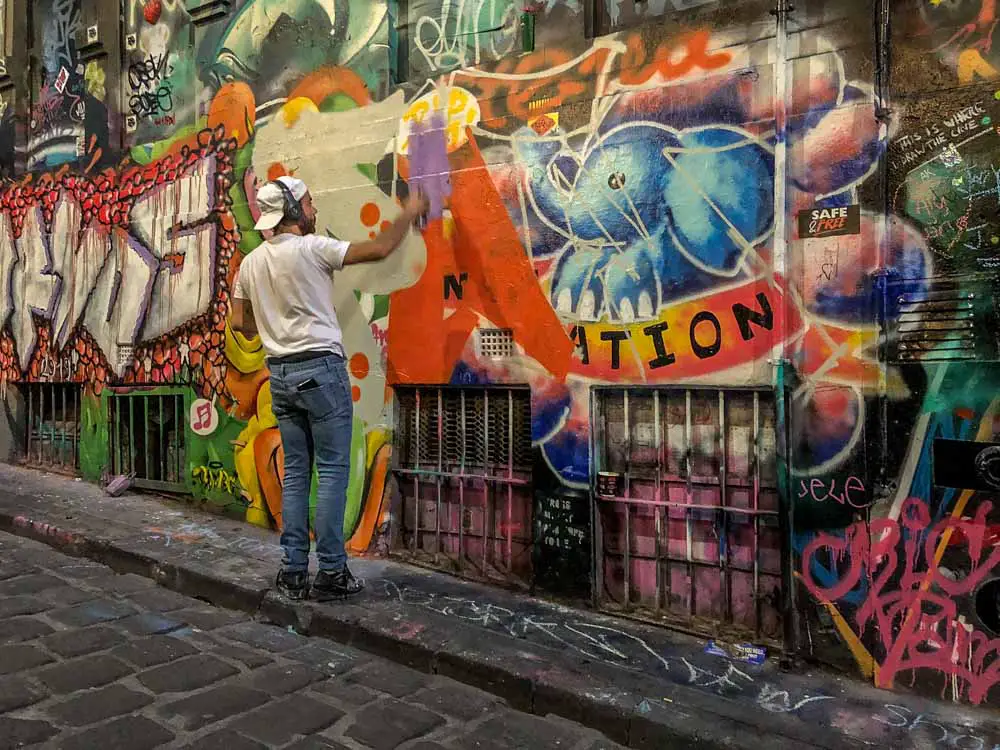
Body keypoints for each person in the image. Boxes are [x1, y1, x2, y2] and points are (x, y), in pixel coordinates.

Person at [230, 176, 429, 601]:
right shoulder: (312, 249)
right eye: (309, 202)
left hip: (279, 375)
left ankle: (294, 570)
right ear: (293, 211)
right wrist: (410, 213)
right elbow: (376, 250)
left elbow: (238, 324)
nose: (315, 208)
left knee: (298, 473)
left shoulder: (250, 264)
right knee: (335, 470)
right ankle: (333, 571)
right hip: (320, 369)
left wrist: (273, 320)